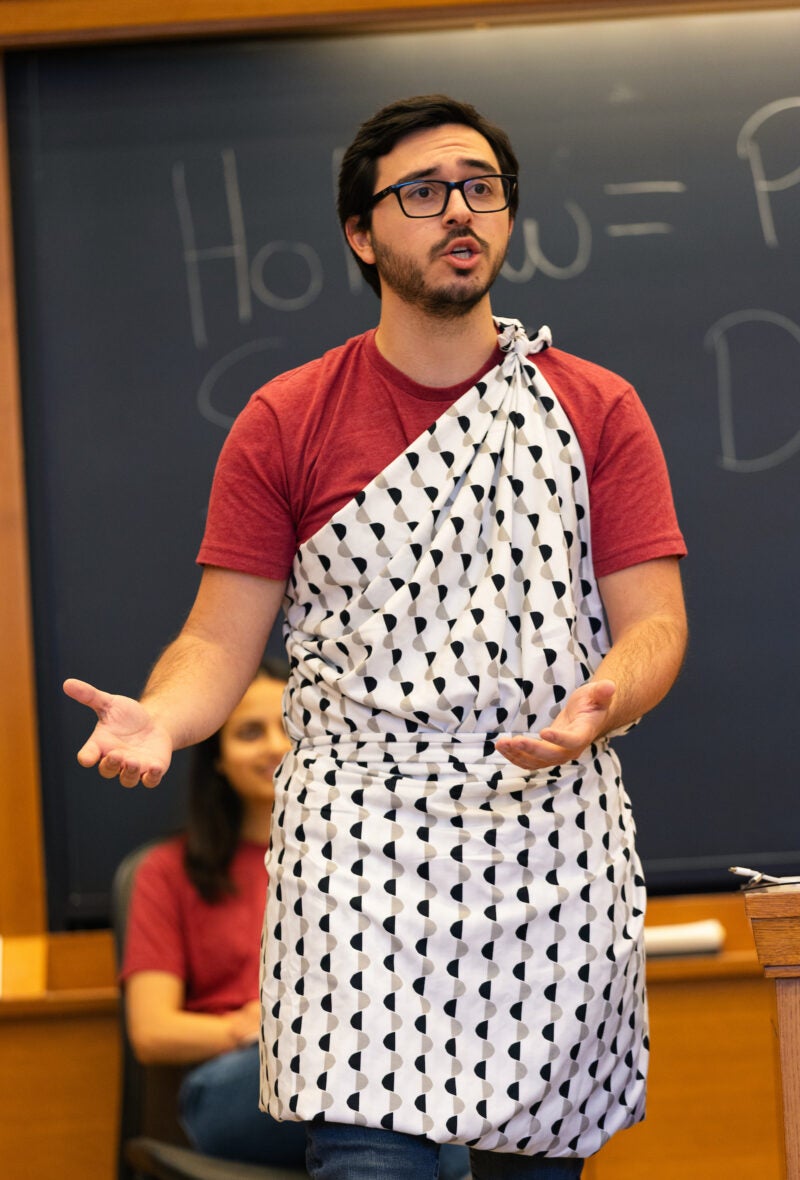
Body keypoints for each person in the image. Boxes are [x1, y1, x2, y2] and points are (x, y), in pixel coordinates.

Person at [65, 94, 688, 1180]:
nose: (459, 209)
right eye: (422, 190)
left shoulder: (594, 408)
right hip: (363, 858)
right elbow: (218, 641)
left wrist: (605, 698)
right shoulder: (286, 419)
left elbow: (655, 625)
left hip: (548, 851)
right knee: (370, 1159)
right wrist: (160, 715)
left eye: (480, 187)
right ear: (361, 231)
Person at [119, 659, 306, 1165]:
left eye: (290, 727)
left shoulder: (364, 861)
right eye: (249, 732)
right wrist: (250, 1027)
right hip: (234, 1081)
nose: (274, 745)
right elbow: (152, 1032)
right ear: (218, 758)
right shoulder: (166, 873)